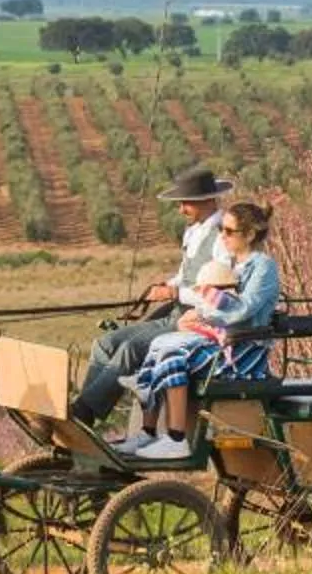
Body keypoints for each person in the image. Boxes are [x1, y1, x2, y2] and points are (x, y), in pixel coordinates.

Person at [69, 164, 234, 425]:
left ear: (206, 200)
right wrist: (164, 287)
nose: (180, 209)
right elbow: (185, 274)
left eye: (186, 203)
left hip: (198, 321)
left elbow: (218, 291)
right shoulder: (194, 231)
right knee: (104, 344)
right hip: (178, 312)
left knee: (129, 349)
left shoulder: (222, 237)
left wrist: (174, 291)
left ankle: (83, 413)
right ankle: (86, 411)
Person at [122, 201, 280, 459]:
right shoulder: (232, 264)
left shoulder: (262, 267)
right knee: (160, 344)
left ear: (250, 235)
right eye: (221, 229)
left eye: (229, 231)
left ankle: (176, 438)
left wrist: (203, 314)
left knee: (173, 355)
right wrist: (196, 317)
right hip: (222, 340)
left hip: (244, 350)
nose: (222, 236)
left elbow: (244, 309)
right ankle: (147, 432)